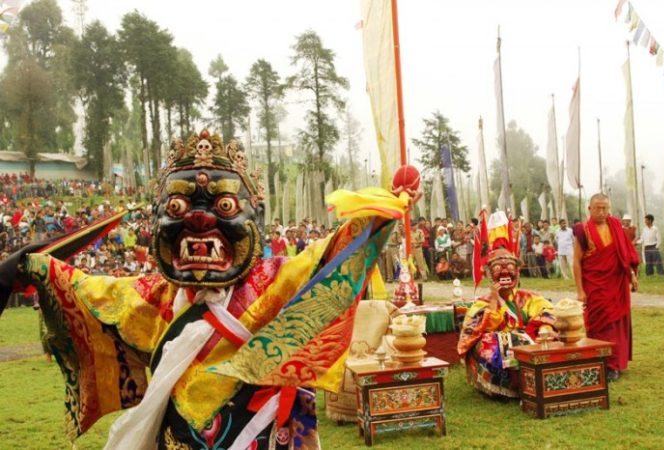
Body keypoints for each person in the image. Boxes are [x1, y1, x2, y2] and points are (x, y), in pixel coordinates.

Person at [0, 130, 414, 449]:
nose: (199, 221)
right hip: (177, 432)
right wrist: (34, 266)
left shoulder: (275, 280)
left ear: (256, 218)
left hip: (256, 433)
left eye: (225, 207)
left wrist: (382, 212)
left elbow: (331, 257)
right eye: (177, 208)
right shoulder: (156, 294)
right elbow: (94, 292)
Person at [458, 211, 556, 398]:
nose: (505, 271)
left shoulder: (526, 297)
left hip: (525, 338)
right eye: (498, 267)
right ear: (489, 274)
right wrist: (494, 298)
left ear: (517, 272)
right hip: (497, 342)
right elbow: (475, 331)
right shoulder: (482, 303)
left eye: (510, 267)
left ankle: (539, 381)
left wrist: (542, 325)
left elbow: (546, 309)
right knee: (491, 346)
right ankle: (508, 388)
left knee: (549, 338)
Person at [573, 193, 639, 382]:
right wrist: (580, 290)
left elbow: (625, 254)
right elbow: (577, 261)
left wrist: (632, 275)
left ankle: (614, 364)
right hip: (595, 285)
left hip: (617, 284)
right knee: (600, 322)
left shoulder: (616, 226)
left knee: (617, 323)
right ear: (589, 209)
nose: (602, 212)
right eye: (597, 208)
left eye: (605, 208)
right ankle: (600, 360)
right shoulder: (583, 230)